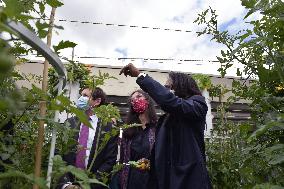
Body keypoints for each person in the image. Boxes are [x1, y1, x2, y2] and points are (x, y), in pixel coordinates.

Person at [119, 63, 212, 189]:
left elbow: (171, 102)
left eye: (168, 87)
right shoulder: (166, 119)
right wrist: (152, 162)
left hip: (188, 180)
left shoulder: (197, 104)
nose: (165, 90)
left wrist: (140, 75)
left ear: (180, 86)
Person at [56, 87, 118, 189]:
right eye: (81, 95)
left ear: (97, 101)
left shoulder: (108, 128)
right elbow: (60, 153)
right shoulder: (70, 123)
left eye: (85, 96)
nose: (80, 98)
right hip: (69, 184)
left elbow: (109, 161)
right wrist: (66, 184)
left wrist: (89, 184)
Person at [116, 90, 157, 189]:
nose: (135, 100)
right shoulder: (128, 131)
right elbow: (122, 160)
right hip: (130, 180)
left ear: (147, 100)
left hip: (151, 180)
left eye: (139, 96)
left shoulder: (158, 129)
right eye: (132, 100)